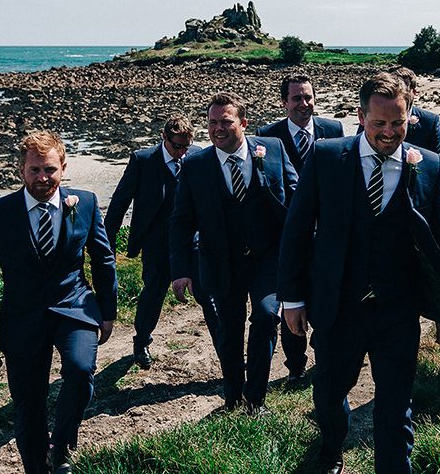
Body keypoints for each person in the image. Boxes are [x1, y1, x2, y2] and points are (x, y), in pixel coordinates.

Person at [278, 73, 440, 474]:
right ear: (361, 116)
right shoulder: (327, 158)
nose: (389, 132)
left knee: (396, 407)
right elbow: (296, 230)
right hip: (338, 307)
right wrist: (292, 299)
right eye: (379, 123)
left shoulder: (428, 166)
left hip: (397, 311)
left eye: (398, 123)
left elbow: (438, 238)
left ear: (409, 115)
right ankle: (331, 448)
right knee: (329, 395)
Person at [0, 131, 117, 474]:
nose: (42, 178)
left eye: (49, 169)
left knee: (80, 372)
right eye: (34, 170)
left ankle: (61, 444)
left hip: (75, 306)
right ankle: (37, 467)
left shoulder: (86, 203)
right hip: (22, 318)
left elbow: (103, 259)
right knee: (29, 404)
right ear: (21, 170)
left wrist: (107, 312)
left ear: (63, 167)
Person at [170, 92, 298, 415]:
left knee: (268, 316)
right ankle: (233, 397)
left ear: (243, 122)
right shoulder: (195, 165)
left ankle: (255, 400)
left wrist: (305, 249)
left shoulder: (272, 150)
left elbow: (296, 202)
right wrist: (181, 269)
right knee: (229, 331)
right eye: (212, 123)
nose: (217, 129)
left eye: (225, 121)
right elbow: (181, 221)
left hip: (267, 257)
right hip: (220, 261)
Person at [104, 114, 217, 370]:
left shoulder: (197, 155)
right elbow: (120, 201)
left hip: (192, 241)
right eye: (177, 146)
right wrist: (107, 243)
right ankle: (141, 340)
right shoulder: (143, 160)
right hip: (156, 241)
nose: (181, 152)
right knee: (153, 292)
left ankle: (225, 347)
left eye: (186, 146)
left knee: (206, 293)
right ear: (163, 137)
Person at [257, 72, 344, 381]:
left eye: (308, 97)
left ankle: (326, 356)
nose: (304, 104)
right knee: (291, 296)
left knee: (327, 294)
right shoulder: (268, 135)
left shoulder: (333, 129)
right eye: (297, 98)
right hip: (287, 233)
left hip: (328, 232)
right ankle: (295, 365)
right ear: (284, 103)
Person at [357, 66, 440, 153]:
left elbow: (438, 154)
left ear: (414, 92)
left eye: (405, 89)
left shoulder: (430, 121)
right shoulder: (372, 115)